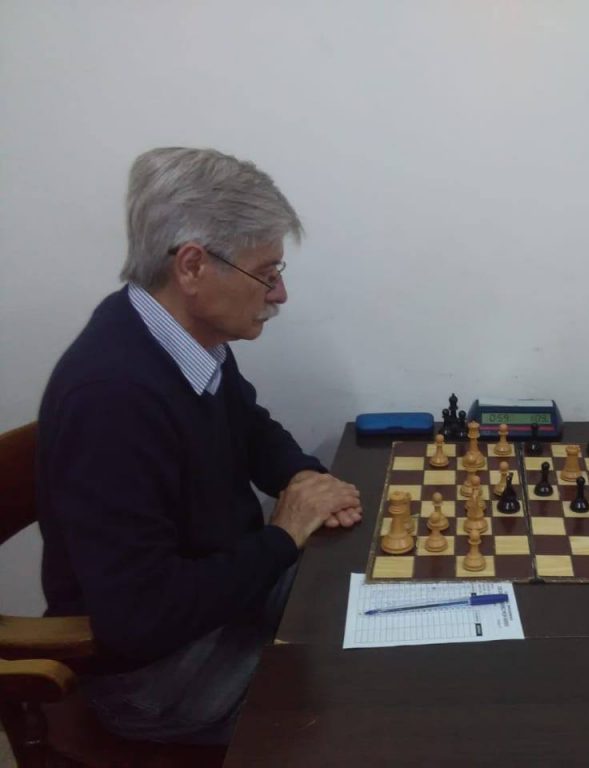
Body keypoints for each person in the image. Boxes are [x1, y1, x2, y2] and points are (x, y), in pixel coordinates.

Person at [36, 147, 363, 744]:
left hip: (221, 600)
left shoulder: (183, 336)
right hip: (157, 675)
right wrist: (282, 536)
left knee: (365, 581)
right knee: (366, 699)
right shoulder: (112, 399)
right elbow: (138, 619)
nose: (280, 294)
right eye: (267, 273)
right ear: (192, 266)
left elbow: (251, 427)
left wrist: (303, 478)